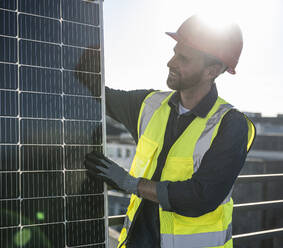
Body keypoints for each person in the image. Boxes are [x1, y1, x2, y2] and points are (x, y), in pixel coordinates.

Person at [83, 15, 256, 248]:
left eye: (183, 58)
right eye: (174, 52)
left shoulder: (231, 125)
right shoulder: (149, 105)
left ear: (212, 70)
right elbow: (99, 94)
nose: (170, 62)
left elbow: (201, 196)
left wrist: (128, 183)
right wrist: (82, 47)